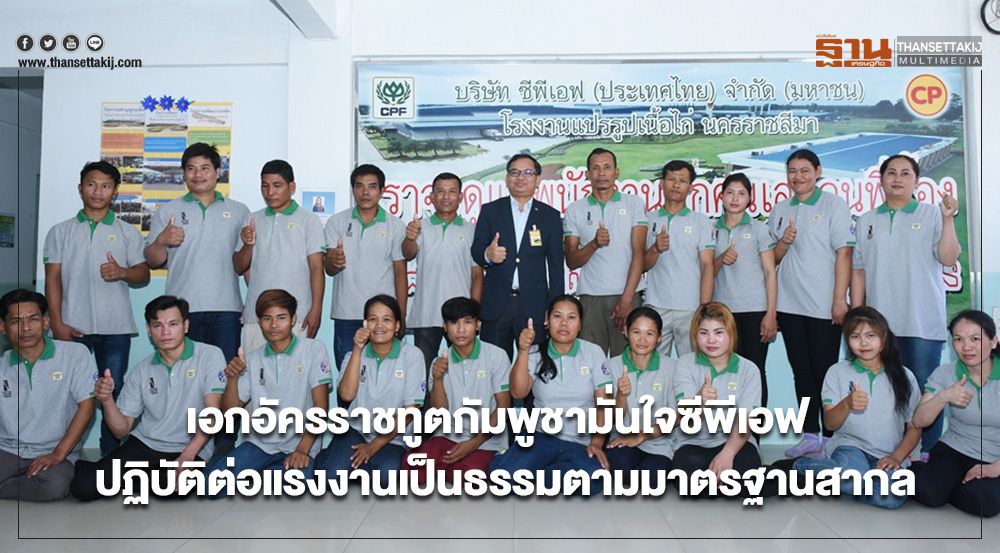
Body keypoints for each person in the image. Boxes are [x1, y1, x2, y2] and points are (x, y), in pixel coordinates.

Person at [851, 154, 960, 457]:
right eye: (891, 173)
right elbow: (858, 270)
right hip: (881, 327)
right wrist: (857, 316)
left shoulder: (933, 214)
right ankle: (895, 453)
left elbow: (949, 258)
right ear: (881, 179)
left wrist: (948, 219)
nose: (897, 178)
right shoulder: (866, 220)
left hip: (923, 320)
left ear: (917, 181)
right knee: (892, 392)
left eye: (905, 173)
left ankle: (928, 454)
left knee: (926, 390)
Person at [69, 296, 226, 501]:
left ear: (186, 326)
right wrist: (107, 400)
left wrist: (188, 455)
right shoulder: (142, 369)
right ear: (149, 330)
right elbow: (121, 430)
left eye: (173, 324)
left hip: (190, 447)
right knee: (82, 488)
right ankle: (117, 474)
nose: (165, 332)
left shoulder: (209, 355)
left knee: (172, 489)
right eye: (157, 325)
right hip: (145, 443)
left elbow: (213, 414)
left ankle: (129, 479)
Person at [43, 160, 150, 455]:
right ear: (80, 188)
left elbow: (143, 274)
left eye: (105, 186)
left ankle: (109, 453)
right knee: (66, 392)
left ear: (114, 192)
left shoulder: (127, 232)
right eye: (91, 184)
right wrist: (56, 322)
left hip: (115, 329)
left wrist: (123, 272)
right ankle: (62, 453)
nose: (97, 191)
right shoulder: (60, 232)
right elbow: (52, 279)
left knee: (112, 391)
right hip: (70, 328)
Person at [768, 149, 854, 458]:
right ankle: (809, 434)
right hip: (789, 306)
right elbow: (772, 259)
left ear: (818, 172)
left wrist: (839, 299)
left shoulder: (834, 205)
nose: (798, 176)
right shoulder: (780, 209)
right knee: (801, 372)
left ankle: (831, 437)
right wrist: (784, 241)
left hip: (824, 307)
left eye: (804, 170)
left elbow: (845, 253)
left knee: (825, 373)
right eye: (792, 171)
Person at [792, 306, 920, 509]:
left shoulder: (905, 376)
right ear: (847, 341)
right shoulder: (837, 372)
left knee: (891, 498)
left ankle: (838, 478)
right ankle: (802, 466)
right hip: (850, 446)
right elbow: (830, 424)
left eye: (870, 335)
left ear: (884, 338)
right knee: (853, 481)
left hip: (888, 453)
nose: (863, 343)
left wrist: (896, 457)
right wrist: (847, 403)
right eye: (855, 336)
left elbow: (914, 428)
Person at [206, 289, 332, 484]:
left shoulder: (313, 350)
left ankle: (262, 477)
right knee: (210, 484)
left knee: (294, 486)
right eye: (267, 318)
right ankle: (264, 474)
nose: (273, 325)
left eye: (281, 318)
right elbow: (230, 411)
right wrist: (232, 378)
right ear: (259, 322)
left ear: (293, 320)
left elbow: (321, 407)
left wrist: (302, 450)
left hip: (301, 444)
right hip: (259, 444)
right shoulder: (252, 358)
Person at [143, 142, 249, 370]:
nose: (198, 174)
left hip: (226, 309)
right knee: (184, 374)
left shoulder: (239, 211)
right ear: (184, 174)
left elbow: (245, 263)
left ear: (217, 172)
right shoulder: (168, 211)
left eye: (205, 168)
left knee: (225, 374)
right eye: (191, 169)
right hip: (180, 311)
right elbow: (152, 260)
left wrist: (249, 304)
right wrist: (161, 240)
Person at [488, 295, 612, 481]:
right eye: (557, 316)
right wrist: (523, 351)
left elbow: (605, 403)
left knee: (596, 479)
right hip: (541, 436)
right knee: (503, 477)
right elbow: (517, 392)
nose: (564, 323)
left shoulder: (593, 352)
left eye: (571, 317)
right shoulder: (535, 353)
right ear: (547, 320)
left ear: (580, 324)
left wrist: (596, 443)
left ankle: (539, 473)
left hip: (580, 440)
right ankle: (537, 469)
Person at [317, 294, 425, 486]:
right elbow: (346, 395)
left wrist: (373, 447)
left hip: (394, 438)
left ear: (397, 325)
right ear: (365, 324)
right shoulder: (353, 354)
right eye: (373, 319)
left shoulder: (412, 356)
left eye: (387, 319)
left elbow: (411, 411)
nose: (379, 326)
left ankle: (357, 466)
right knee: (329, 476)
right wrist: (358, 349)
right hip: (356, 430)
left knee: (386, 476)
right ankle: (348, 462)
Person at [401, 297, 510, 483]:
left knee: (469, 475)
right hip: (448, 435)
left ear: (477, 325)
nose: (460, 330)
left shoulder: (496, 356)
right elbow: (440, 413)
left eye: (467, 322)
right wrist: (437, 379)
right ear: (445, 327)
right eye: (454, 323)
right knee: (409, 466)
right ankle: (448, 467)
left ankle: (450, 468)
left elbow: (503, 407)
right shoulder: (439, 362)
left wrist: (473, 443)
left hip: (485, 439)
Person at [0, 289, 96, 501]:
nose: (25, 327)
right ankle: (21, 480)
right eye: (16, 321)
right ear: (2, 327)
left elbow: (87, 407)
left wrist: (58, 454)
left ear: (45, 322)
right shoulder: (2, 366)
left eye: (33, 319)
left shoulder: (75, 355)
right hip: (7, 450)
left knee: (53, 486)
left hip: (56, 449)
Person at [471, 154, 565, 360]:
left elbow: (556, 267)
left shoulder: (550, 216)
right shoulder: (491, 211)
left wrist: (554, 308)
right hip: (496, 304)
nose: (520, 177)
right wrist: (487, 254)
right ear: (507, 179)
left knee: (534, 366)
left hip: (534, 305)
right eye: (514, 172)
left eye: (528, 173)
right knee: (494, 366)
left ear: (538, 180)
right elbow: (476, 251)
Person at [913, 309, 1000, 517]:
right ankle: (931, 476)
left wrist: (996, 468)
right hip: (954, 449)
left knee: (984, 504)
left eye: (975, 339)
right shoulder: (946, 372)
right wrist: (943, 396)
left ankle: (950, 485)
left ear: (993, 341)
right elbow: (918, 420)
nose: (966, 347)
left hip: (995, 456)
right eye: (958, 339)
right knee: (928, 493)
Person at [563, 148, 648, 357]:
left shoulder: (633, 204)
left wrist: (627, 300)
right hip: (591, 298)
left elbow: (639, 254)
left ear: (616, 172)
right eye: (596, 168)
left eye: (607, 168)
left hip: (627, 295)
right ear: (587, 174)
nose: (601, 173)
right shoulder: (575, 209)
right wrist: (594, 244)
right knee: (592, 363)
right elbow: (572, 261)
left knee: (626, 362)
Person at [671, 302, 762, 496]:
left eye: (719, 332)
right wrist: (700, 400)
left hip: (734, 441)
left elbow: (746, 422)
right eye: (704, 333)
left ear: (731, 333)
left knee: (749, 479)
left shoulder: (749, 369)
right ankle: (722, 485)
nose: (711, 340)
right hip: (694, 443)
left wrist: (727, 454)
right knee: (687, 482)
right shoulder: (684, 364)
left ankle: (722, 484)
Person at [234, 160, 325, 352]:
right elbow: (239, 267)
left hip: (297, 316)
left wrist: (316, 309)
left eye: (277, 185)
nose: (270, 192)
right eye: (265, 186)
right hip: (257, 316)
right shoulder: (252, 219)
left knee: (296, 369)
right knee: (254, 369)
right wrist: (248, 245)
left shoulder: (309, 220)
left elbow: (317, 267)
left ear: (291, 187)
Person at [324, 164, 407, 369]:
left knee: (384, 374)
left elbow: (400, 273)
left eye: (372, 186)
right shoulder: (336, 222)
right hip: (346, 313)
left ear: (382, 191)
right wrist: (333, 261)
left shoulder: (395, 226)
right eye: (359, 186)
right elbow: (329, 269)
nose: (365, 192)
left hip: (382, 317)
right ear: (353, 189)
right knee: (347, 373)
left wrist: (401, 316)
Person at [403, 172, 484, 372]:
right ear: (432, 197)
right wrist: (410, 238)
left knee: (464, 372)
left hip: (461, 317)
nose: (446, 197)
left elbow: (477, 274)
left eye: (452, 192)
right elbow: (407, 254)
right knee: (423, 373)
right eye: (440, 191)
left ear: (460, 197)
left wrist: (473, 313)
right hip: (426, 313)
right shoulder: (419, 227)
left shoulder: (471, 230)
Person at [711, 172, 777, 406]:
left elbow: (770, 272)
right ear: (721, 197)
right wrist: (721, 258)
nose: (735, 198)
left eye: (741, 193)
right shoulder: (711, 229)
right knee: (725, 373)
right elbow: (706, 271)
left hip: (755, 310)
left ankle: (754, 427)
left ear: (749, 198)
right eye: (730, 193)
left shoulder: (759, 229)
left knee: (755, 371)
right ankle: (728, 426)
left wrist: (771, 314)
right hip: (722, 313)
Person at [643, 160, 715, 358]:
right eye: (671, 180)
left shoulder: (700, 221)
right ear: (661, 184)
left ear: (690, 188)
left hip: (691, 308)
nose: (676, 185)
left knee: (694, 365)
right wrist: (656, 248)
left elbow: (707, 266)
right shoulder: (648, 219)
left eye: (682, 181)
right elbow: (641, 266)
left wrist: (704, 308)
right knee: (655, 366)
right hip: (656, 305)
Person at [604, 307, 675, 488]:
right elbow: (612, 419)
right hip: (622, 438)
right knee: (619, 469)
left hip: (658, 441)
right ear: (626, 331)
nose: (642, 340)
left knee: (652, 479)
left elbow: (675, 417)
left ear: (659, 337)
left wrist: (642, 436)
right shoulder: (611, 366)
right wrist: (621, 395)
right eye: (636, 332)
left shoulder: (671, 367)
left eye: (649, 334)